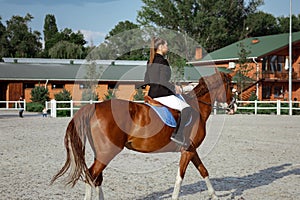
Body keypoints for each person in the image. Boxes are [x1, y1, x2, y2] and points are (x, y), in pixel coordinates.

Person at [144, 37, 192, 147]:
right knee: (187, 109)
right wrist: (174, 87)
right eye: (166, 45)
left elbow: (146, 80)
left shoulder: (150, 61)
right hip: (162, 94)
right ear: (160, 47)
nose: (168, 47)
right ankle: (178, 135)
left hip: (152, 94)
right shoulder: (163, 61)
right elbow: (162, 81)